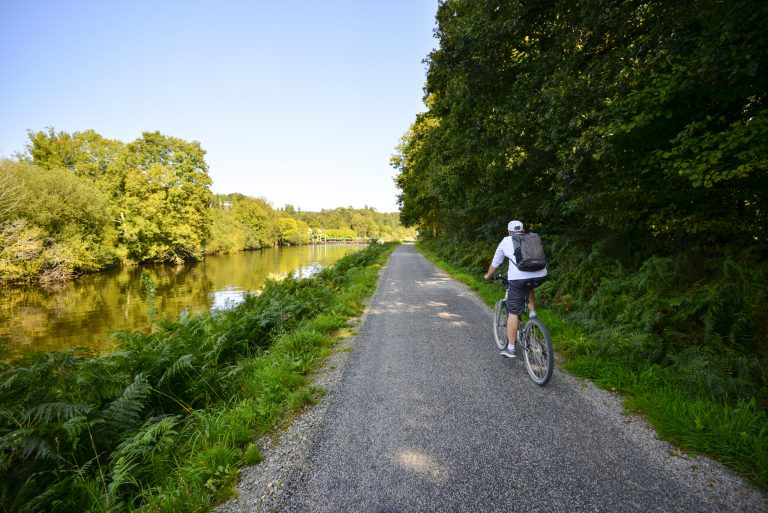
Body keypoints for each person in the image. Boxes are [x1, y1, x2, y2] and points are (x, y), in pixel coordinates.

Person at [483, 220, 547, 358]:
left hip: (518, 278)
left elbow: (496, 262)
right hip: (541, 274)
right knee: (529, 284)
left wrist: (488, 276)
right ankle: (532, 314)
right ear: (522, 230)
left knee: (513, 311)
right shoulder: (531, 238)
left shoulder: (506, 241)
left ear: (509, 231)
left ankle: (510, 348)